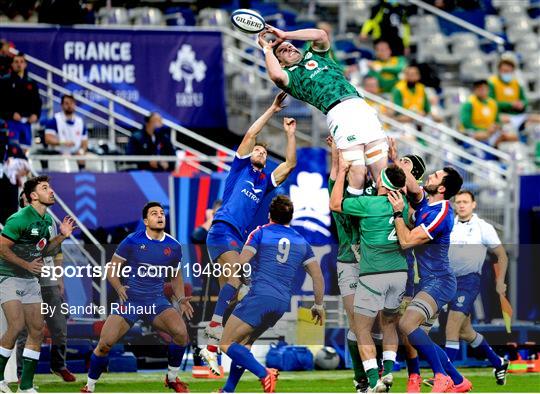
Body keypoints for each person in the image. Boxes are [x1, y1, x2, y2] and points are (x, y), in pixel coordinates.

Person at [201, 92, 297, 374]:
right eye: (258, 150)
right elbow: (252, 133)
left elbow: (289, 164)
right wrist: (272, 109)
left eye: (265, 153)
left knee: (238, 299)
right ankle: (212, 336)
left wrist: (290, 134)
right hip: (222, 231)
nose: (261, 152)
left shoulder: (265, 180)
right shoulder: (240, 167)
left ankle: (218, 354)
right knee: (236, 277)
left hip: (235, 239)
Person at [258, 25, 387, 195]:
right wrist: (268, 49)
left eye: (290, 45)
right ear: (280, 62)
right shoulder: (290, 77)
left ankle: (389, 218)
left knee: (382, 174)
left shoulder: (317, 55)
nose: (289, 47)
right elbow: (275, 74)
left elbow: (320, 34)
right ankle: (358, 217)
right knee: (358, 172)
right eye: (283, 50)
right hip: (339, 114)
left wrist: (285, 34)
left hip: (361, 106)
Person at [81, 202, 193, 393]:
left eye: (161, 213)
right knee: (105, 343)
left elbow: (176, 276)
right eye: (154, 213)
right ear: (146, 220)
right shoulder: (132, 241)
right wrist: (118, 287)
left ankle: (172, 378)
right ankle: (89, 386)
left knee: (182, 335)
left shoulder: (173, 246)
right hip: (131, 301)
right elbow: (111, 269)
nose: (159, 216)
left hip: (156, 302)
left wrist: (181, 299)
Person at [218, 195, 325, 393]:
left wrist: (243, 281)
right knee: (245, 344)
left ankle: (264, 374)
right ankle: (228, 390)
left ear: (269, 215)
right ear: (290, 217)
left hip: (260, 296)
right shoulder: (301, 241)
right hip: (281, 303)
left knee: (226, 343)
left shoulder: (260, 233)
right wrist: (318, 305)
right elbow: (317, 276)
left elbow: (241, 264)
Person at [387, 165, 472, 393]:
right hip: (428, 283)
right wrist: (398, 164)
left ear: (441, 188)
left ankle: (441, 376)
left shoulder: (442, 214)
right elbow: (414, 187)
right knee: (419, 337)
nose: (428, 176)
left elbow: (406, 241)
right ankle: (459, 380)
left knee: (406, 325)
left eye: (434, 176)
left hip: (440, 282)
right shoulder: (428, 205)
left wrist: (397, 213)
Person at [330, 161, 408, 393]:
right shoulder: (402, 207)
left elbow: (335, 204)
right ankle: (389, 370)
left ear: (382, 184)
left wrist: (342, 172)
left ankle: (373, 381)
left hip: (374, 273)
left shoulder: (369, 203)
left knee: (360, 329)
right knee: (390, 325)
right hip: (400, 273)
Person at [0, 175, 76, 393]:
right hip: (8, 276)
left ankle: (26, 386)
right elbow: (1, 248)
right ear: (33, 196)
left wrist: (62, 237)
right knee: (16, 327)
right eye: (45, 188)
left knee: (37, 330)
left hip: (30, 279)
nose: (51, 191)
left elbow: (44, 251)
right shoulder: (19, 218)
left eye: (50, 187)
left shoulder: (45, 221)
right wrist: (26, 264)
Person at [446, 190, 509, 385]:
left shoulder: (483, 227)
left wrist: (500, 281)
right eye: (458, 202)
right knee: (466, 332)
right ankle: (498, 362)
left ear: (474, 204)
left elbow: (502, 255)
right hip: (448, 281)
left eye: (465, 202)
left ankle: (446, 377)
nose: (461, 205)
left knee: (451, 328)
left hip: (469, 281)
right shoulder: (449, 224)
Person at [0, 53, 42, 150]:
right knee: (12, 149)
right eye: (16, 62)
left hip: (27, 122)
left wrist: (35, 115)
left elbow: (37, 102)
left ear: (25, 64)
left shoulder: (31, 83)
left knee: (26, 150)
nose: (19, 64)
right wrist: (10, 114)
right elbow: (1, 103)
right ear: (12, 64)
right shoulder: (5, 81)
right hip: (11, 122)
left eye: (21, 62)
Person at [460, 80, 517, 148]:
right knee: (483, 135)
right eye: (480, 89)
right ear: (475, 90)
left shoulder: (492, 103)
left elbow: (497, 121)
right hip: (474, 132)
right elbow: (467, 124)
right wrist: (485, 129)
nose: (483, 91)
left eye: (485, 89)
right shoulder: (469, 104)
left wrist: (497, 126)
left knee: (512, 136)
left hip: (491, 132)